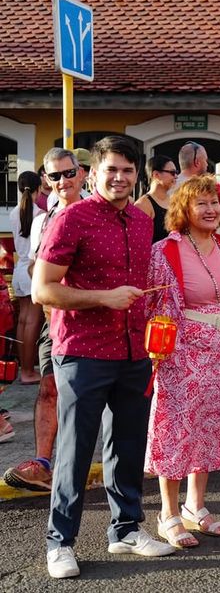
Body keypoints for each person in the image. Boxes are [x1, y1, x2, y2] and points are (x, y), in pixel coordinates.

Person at [33, 136, 176, 578]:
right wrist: (103, 298)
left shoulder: (139, 220)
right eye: (111, 169)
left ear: (139, 177)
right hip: (81, 351)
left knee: (128, 446)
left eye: (128, 171)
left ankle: (127, 529)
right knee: (75, 451)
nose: (119, 178)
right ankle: (60, 542)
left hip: (134, 349)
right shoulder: (71, 219)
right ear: (92, 173)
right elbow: (43, 290)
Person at [144, 175, 220, 547]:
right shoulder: (167, 250)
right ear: (184, 209)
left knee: (209, 427)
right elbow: (153, 305)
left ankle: (196, 506)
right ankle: (168, 513)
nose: (211, 210)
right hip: (180, 350)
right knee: (176, 428)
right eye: (201, 204)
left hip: (218, 348)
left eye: (215, 203)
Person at [2, 149, 87, 493]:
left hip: (93, 320)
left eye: (69, 173)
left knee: (88, 397)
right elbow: (35, 267)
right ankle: (43, 463)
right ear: (45, 181)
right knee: (49, 387)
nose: (63, 181)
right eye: (55, 176)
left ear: (81, 174)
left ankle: (82, 462)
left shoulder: (97, 212)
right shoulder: (42, 220)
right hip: (57, 318)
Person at [11, 171, 43, 384]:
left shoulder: (14, 212)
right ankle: (28, 372)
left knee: (23, 320)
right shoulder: (40, 213)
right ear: (38, 189)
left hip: (18, 270)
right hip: (32, 269)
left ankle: (25, 369)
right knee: (32, 321)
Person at [135, 155, 178, 243]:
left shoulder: (175, 201)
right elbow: (140, 243)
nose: (176, 176)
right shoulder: (143, 205)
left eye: (176, 172)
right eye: (172, 173)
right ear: (156, 175)